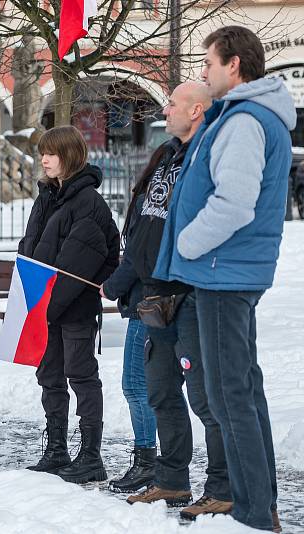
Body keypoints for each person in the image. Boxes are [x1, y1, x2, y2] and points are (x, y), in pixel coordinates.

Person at [154, 27, 294, 532]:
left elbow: (235, 201)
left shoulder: (245, 121)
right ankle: (261, 504)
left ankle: (253, 514)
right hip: (228, 270)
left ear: (234, 65)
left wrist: (188, 243)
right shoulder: (245, 117)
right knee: (243, 390)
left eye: (209, 62)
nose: (203, 72)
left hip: (222, 271)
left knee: (229, 393)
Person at [119, 82, 233, 521]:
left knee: (205, 397)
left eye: (171, 104)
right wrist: (124, 278)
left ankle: (222, 487)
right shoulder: (168, 155)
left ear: (197, 109)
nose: (164, 110)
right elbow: (147, 224)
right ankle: (172, 479)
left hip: (192, 293)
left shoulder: (208, 157)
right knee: (161, 392)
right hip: (155, 293)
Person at [18, 125, 120, 484]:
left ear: (70, 156)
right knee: (50, 377)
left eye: (52, 153)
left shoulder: (87, 202)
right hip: (45, 307)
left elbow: (78, 263)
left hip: (72, 308)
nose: (44, 158)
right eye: (42, 152)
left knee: (80, 374)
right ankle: (57, 449)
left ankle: (91, 456)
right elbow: (32, 245)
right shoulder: (48, 195)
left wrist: (44, 307)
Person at [99, 191, 157, 493]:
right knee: (145, 386)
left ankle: (147, 460)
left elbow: (136, 257)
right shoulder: (154, 197)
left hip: (146, 304)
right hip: (148, 301)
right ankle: (151, 459)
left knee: (136, 385)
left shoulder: (155, 199)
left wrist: (111, 287)